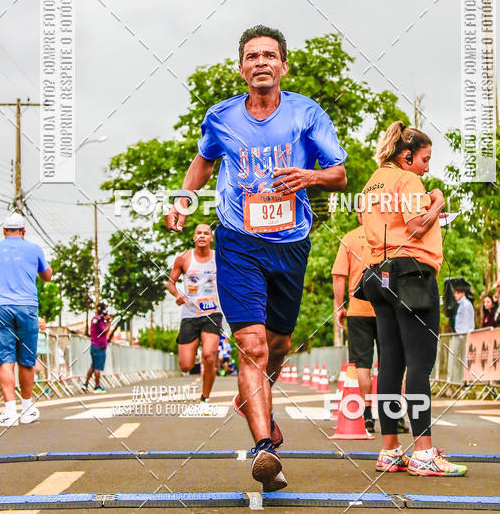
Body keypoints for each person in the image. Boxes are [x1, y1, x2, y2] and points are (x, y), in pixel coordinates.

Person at [165, 25, 347, 492]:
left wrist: (308, 176)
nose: (261, 62)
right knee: (253, 344)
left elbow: (340, 175)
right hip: (238, 238)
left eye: (270, 55)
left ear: (283, 65)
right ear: (241, 67)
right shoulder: (221, 116)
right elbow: (204, 161)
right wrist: (184, 199)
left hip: (290, 240)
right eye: (252, 56)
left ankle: (253, 400)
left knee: (279, 344)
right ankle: (265, 448)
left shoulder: (307, 113)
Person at [359, 121, 467, 477]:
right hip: (411, 273)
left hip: (377, 271)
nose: (426, 166)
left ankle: (389, 449)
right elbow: (418, 224)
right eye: (424, 158)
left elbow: (368, 223)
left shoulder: (372, 181)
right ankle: (423, 451)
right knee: (419, 365)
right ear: (406, 156)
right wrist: (437, 201)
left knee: (390, 364)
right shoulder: (408, 180)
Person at [331, 210, 409, 438]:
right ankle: (396, 416)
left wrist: (340, 306)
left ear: (358, 215)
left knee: (361, 365)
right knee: (391, 363)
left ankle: (366, 416)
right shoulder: (388, 236)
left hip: (358, 308)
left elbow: (338, 275)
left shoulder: (349, 238)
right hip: (387, 308)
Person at [0, 211, 53, 426]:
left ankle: (9, 412)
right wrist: (41, 267)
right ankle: (27, 409)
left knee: (5, 361)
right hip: (27, 308)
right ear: (24, 231)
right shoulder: (34, 249)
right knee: (26, 361)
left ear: (4, 231)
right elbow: (47, 276)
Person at [167, 223, 222, 402]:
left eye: (206, 233)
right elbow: (170, 282)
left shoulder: (219, 258)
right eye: (199, 233)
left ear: (211, 239)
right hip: (190, 314)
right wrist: (177, 294)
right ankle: (195, 349)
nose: (202, 236)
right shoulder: (183, 258)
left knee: (209, 356)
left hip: (212, 313)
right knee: (185, 366)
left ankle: (205, 397)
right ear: (194, 237)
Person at [84, 302, 111, 392]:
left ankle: (86, 384)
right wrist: (108, 322)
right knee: (97, 367)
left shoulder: (94, 319)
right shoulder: (100, 321)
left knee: (93, 366)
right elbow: (105, 331)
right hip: (100, 346)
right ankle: (97, 386)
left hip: (93, 345)